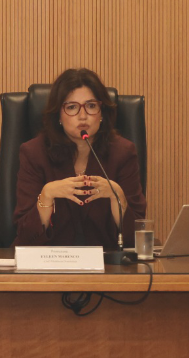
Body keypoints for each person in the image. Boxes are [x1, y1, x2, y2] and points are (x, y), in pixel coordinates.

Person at [13, 67, 146, 248]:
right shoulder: (34, 153)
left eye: (91, 106)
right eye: (72, 107)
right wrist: (46, 196)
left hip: (106, 262)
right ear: (58, 115)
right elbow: (24, 237)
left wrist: (118, 195)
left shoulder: (123, 153)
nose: (83, 116)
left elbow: (137, 240)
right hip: (50, 261)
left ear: (102, 112)